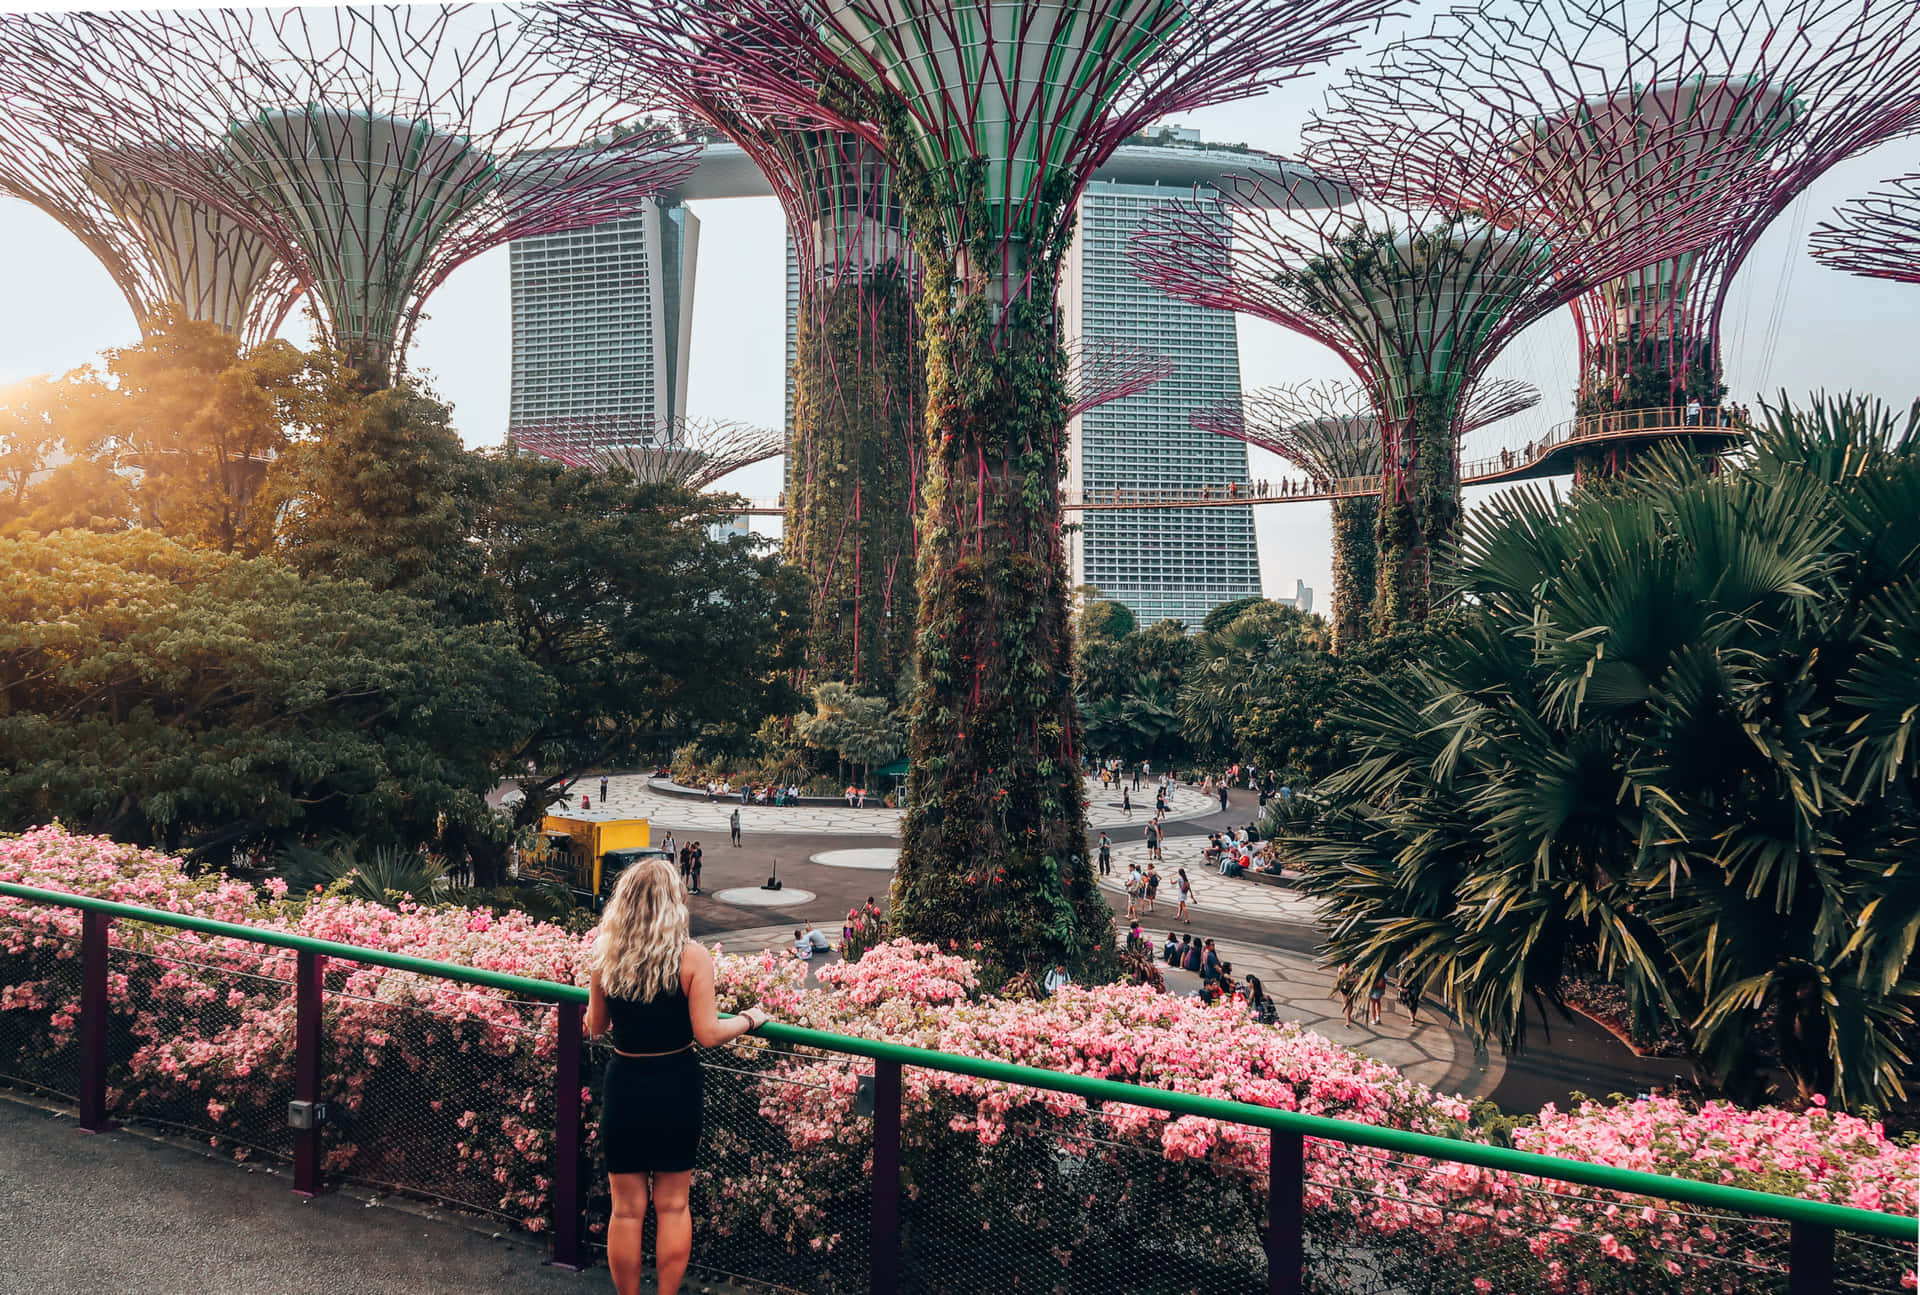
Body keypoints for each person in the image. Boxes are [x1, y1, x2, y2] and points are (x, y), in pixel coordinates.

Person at [587, 860, 768, 1295]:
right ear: (674, 903)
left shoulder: (606, 954)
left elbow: (595, 1026)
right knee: (672, 1205)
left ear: (624, 903)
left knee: (626, 1211)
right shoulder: (692, 958)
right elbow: (707, 1033)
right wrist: (748, 1018)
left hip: (625, 1081)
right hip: (675, 1084)